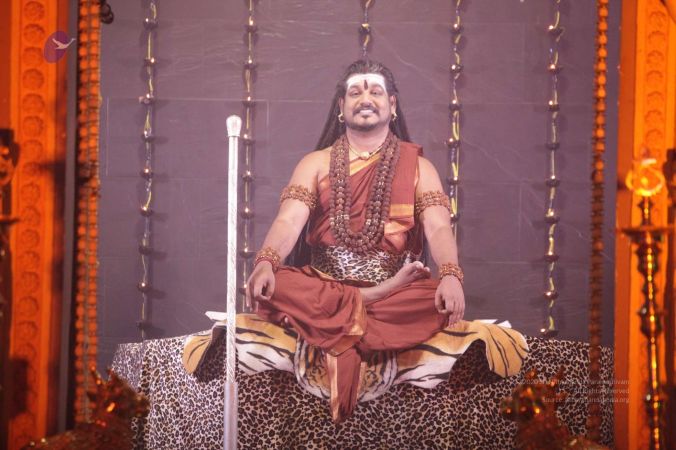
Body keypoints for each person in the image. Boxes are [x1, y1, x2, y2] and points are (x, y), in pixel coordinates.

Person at [245, 59, 465, 423]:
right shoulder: (316, 163)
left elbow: (439, 227)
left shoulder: (418, 168)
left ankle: (342, 321)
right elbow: (288, 219)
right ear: (341, 106)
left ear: (392, 105)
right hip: (324, 284)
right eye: (355, 92)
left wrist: (451, 275)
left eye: (375, 91)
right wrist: (266, 262)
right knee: (277, 284)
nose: (366, 98)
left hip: (393, 294)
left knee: (434, 299)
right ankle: (361, 311)